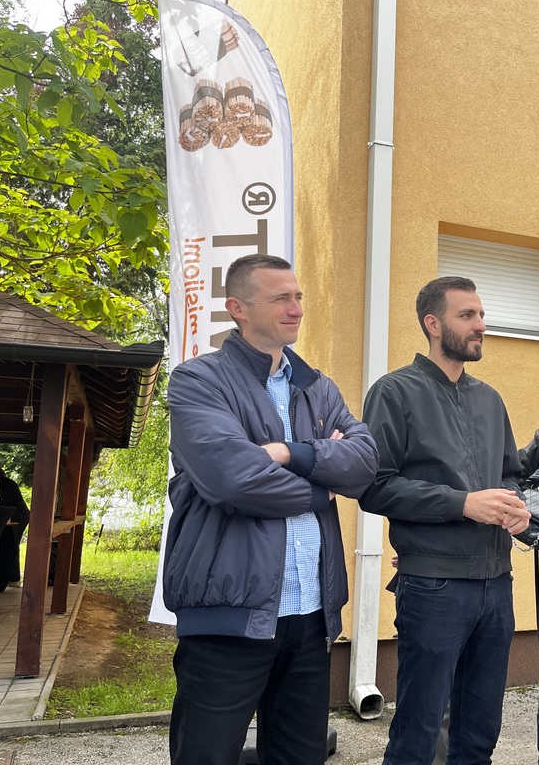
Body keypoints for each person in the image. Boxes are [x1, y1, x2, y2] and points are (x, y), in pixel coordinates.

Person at [162, 254, 379, 765]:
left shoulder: (318, 386)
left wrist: (288, 453)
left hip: (311, 615)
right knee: (205, 756)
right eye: (281, 298)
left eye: (298, 296)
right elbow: (233, 480)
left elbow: (365, 463)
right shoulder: (198, 380)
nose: (296, 308)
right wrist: (320, 488)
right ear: (237, 308)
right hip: (228, 615)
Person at [360, 275, 531, 765]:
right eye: (467, 315)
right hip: (433, 586)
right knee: (418, 733)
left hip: (497, 585)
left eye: (481, 314)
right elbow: (373, 485)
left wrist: (515, 504)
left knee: (480, 734)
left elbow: (511, 474)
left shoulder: (490, 399)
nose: (481, 325)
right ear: (433, 324)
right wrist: (462, 503)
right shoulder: (394, 392)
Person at [0, 465, 30, 582]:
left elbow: (8, 503)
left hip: (19, 516)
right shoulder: (4, 484)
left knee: (13, 545)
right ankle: (10, 576)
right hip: (16, 516)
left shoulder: (7, 485)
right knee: (11, 544)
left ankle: (13, 576)